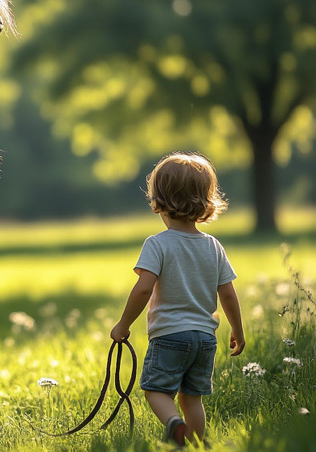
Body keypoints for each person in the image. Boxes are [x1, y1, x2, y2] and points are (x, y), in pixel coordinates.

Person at [109, 152, 245, 447]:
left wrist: (123, 324)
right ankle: (194, 443)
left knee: (156, 391)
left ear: (158, 199)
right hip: (205, 338)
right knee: (192, 397)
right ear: (205, 200)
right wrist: (237, 329)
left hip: (170, 334)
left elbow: (143, 289)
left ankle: (174, 424)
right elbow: (228, 293)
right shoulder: (213, 246)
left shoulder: (157, 244)